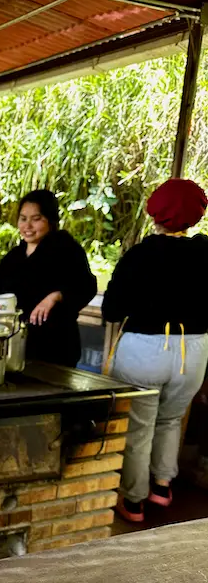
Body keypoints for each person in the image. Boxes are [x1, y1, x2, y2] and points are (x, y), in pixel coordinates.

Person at [102, 178, 208, 523]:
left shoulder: (141, 255)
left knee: (139, 425)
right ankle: (161, 486)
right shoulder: (206, 253)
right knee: (172, 419)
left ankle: (133, 501)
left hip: (145, 349)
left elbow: (112, 310)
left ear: (155, 211)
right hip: (193, 351)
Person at [0, 190, 97, 367]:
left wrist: (56, 296)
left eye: (36, 219)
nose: (27, 226)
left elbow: (87, 287)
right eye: (23, 219)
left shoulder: (66, 249)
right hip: (16, 344)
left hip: (56, 348)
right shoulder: (14, 257)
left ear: (50, 221)